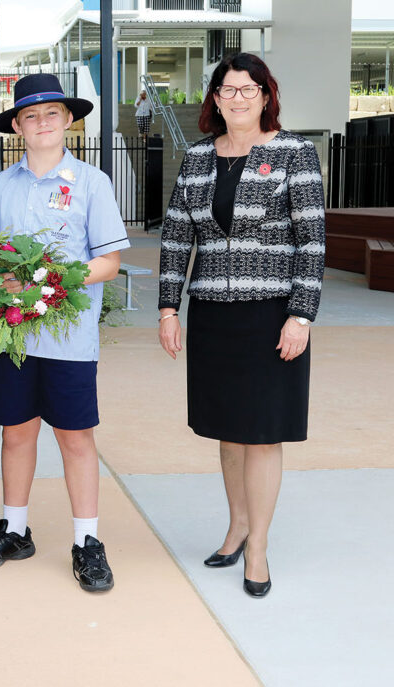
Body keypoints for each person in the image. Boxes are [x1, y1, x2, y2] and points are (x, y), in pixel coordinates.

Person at [157, 53, 325, 598]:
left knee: (262, 435)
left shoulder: (294, 153)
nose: (238, 98)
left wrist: (301, 314)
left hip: (272, 315)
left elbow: (312, 244)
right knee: (228, 432)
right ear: (215, 98)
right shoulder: (199, 158)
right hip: (213, 316)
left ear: (266, 95)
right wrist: (168, 308)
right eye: (228, 90)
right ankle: (236, 526)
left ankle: (259, 547)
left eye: (248, 89)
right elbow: (178, 238)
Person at [0, 73, 129, 593]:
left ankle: (87, 542)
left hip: (69, 339)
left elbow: (109, 260)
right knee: (17, 433)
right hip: (11, 338)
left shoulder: (91, 183)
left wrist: (54, 280)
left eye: (51, 114)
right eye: (29, 116)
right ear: (16, 126)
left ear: (70, 121)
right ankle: (14, 530)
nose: (41, 124)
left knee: (76, 438)